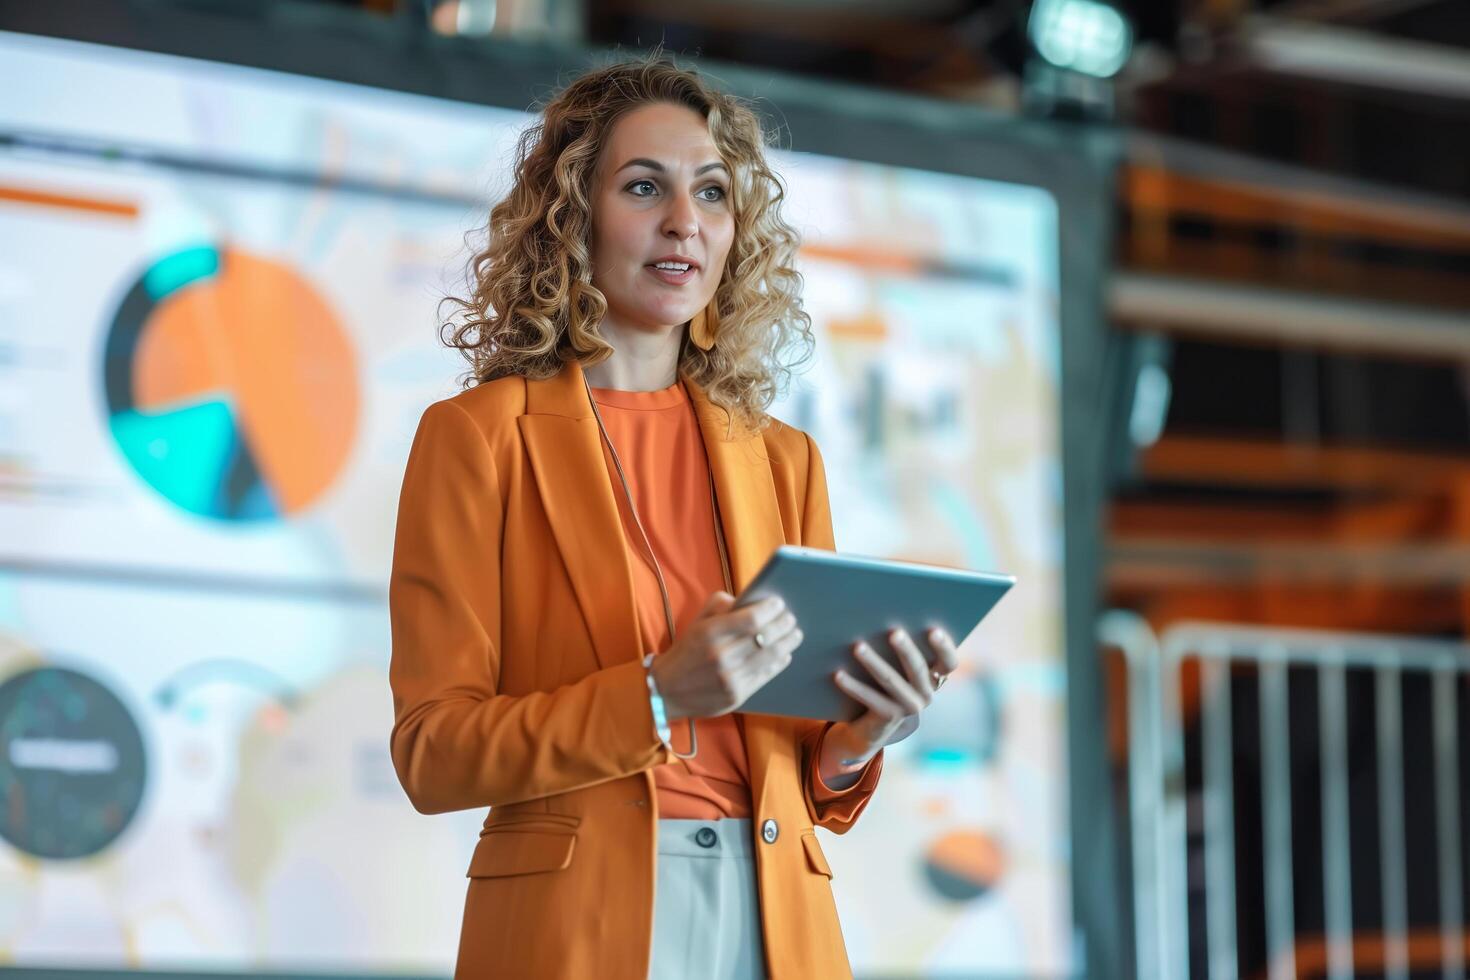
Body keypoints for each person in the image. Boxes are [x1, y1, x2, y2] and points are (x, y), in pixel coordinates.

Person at [388, 54, 960, 980]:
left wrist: (859, 740)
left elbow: (806, 775)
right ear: (571, 218)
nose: (683, 222)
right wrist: (658, 695)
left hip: (778, 922)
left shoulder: (784, 460)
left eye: (714, 193)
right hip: (577, 925)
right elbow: (433, 753)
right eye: (644, 186)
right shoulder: (477, 439)